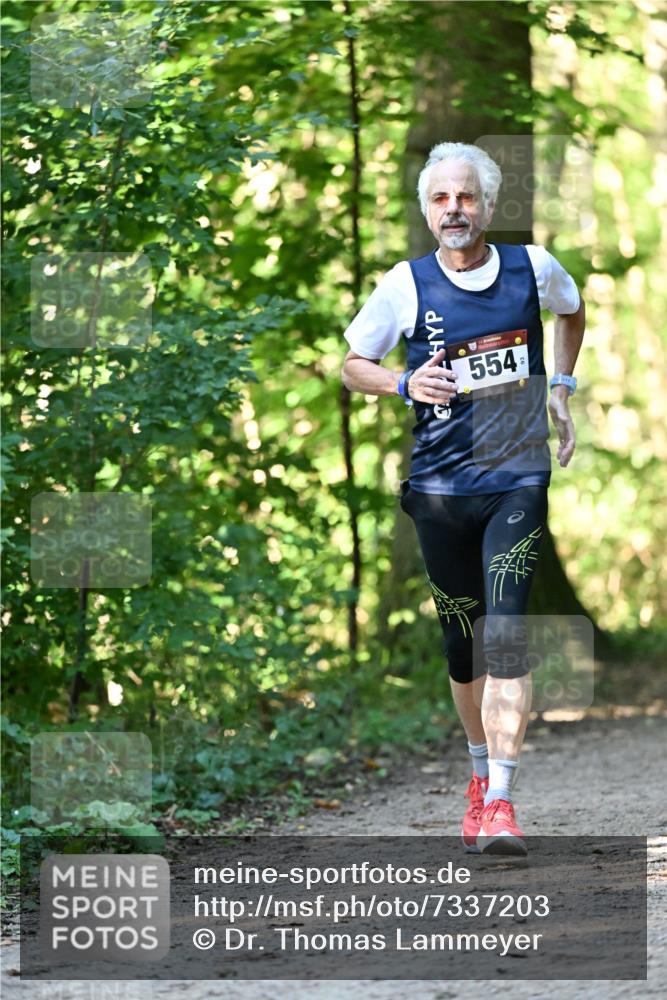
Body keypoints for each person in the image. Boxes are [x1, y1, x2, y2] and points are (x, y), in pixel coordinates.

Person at [341, 141, 585, 855]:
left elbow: (571, 313)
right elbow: (353, 363)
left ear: (487, 204)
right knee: (463, 643)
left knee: (506, 632)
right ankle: (478, 779)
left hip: (515, 475)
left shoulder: (531, 268)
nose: (455, 209)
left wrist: (561, 388)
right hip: (440, 487)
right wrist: (400, 383)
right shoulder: (405, 284)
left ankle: (504, 801)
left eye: (466, 197)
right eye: (441, 199)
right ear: (426, 210)